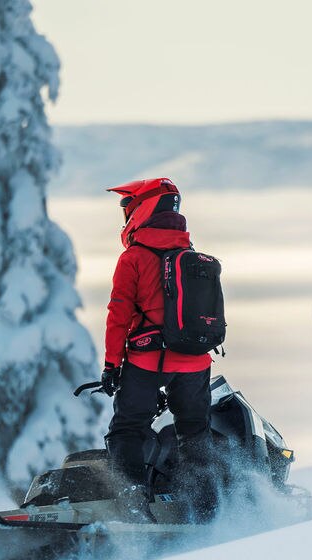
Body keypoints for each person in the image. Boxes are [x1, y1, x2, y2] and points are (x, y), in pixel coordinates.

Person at [100, 177, 213, 521]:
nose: (125, 216)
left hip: (149, 359)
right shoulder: (189, 254)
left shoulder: (134, 257)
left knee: (127, 429)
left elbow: (118, 313)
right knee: (194, 432)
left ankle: (132, 505)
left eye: (127, 208)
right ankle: (207, 508)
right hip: (195, 362)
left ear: (143, 209)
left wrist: (110, 365)